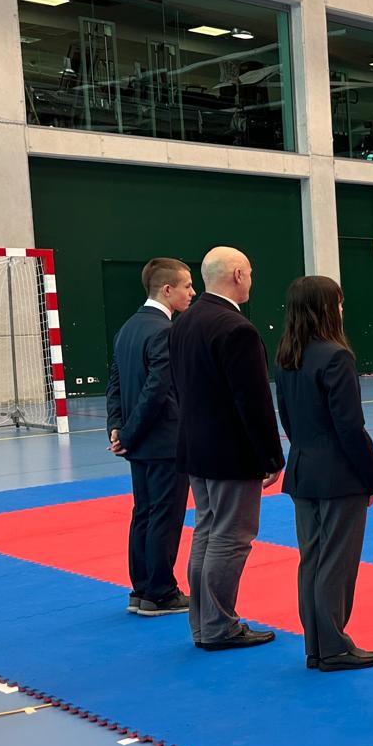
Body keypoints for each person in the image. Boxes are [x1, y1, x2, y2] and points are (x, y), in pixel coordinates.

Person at [168, 247, 283, 651]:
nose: (251, 280)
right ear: (237, 274)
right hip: (231, 453)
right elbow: (252, 401)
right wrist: (271, 456)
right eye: (249, 273)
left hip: (196, 448)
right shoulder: (237, 329)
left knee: (207, 532)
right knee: (231, 537)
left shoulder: (183, 323)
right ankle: (218, 625)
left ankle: (203, 623)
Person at [275, 275, 373, 672]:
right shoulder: (336, 357)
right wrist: (372, 475)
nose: (341, 309)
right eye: (337, 303)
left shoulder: (288, 356)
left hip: (304, 471)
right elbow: (350, 427)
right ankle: (335, 646)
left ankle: (317, 645)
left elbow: (286, 418)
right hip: (339, 476)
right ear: (325, 308)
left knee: (313, 560)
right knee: (336, 562)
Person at [106, 257, 194, 618]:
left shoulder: (128, 327)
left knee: (143, 512)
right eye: (187, 286)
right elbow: (157, 389)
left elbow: (115, 384)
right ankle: (160, 592)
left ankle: (141, 588)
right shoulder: (165, 330)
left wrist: (117, 427)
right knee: (164, 515)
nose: (193, 292)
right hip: (161, 441)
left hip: (139, 440)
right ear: (167, 289)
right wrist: (127, 431)